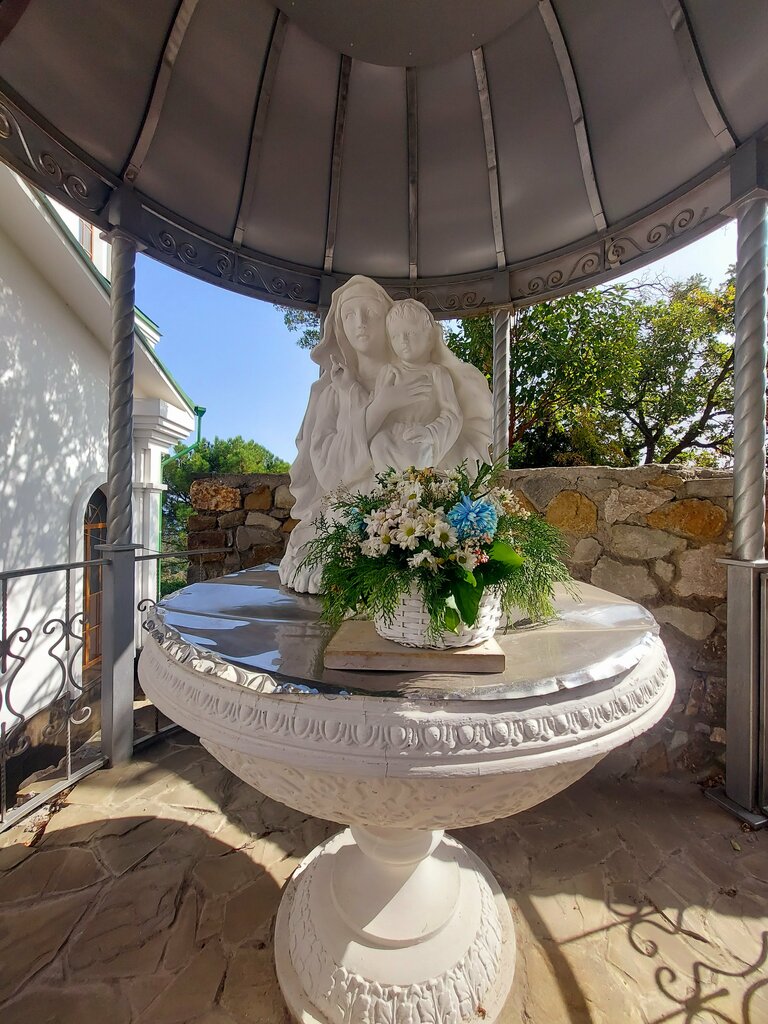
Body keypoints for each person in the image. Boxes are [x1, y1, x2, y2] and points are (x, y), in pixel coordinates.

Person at [279, 277, 493, 593]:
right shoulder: (332, 394)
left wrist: (429, 438)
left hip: (418, 494)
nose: (360, 323)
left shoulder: (429, 375)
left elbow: (455, 428)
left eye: (370, 312)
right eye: (349, 315)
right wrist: (381, 407)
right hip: (357, 505)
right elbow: (330, 471)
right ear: (339, 326)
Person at [369, 299, 462, 472]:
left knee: (418, 455)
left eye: (410, 333)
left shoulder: (437, 373)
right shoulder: (389, 372)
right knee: (378, 444)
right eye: (396, 336)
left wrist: (431, 433)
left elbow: (452, 413)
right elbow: (375, 411)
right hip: (390, 435)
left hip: (419, 436)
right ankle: (387, 497)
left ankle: (415, 495)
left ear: (428, 337)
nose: (403, 340)